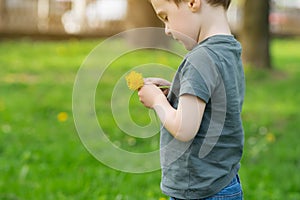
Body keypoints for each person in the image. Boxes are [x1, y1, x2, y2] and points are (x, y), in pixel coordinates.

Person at [138, 0, 245, 199]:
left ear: (192, 2)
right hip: (223, 182)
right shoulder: (228, 50)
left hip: (200, 190)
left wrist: (157, 102)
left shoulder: (200, 58)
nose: (167, 30)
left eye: (166, 17)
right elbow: (217, 101)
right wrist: (176, 90)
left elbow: (184, 129)